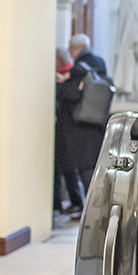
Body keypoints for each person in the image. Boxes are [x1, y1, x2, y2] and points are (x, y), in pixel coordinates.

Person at [57, 34, 110, 206]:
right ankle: (95, 205)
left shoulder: (79, 68)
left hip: (78, 127)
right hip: (96, 124)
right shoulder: (99, 63)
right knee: (91, 169)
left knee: (83, 169)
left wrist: (61, 85)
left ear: (73, 49)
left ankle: (91, 207)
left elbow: (72, 94)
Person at [53, 47, 82, 214]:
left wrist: (61, 83)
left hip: (68, 130)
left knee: (68, 168)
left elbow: (71, 95)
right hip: (65, 130)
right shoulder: (73, 74)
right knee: (63, 168)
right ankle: (59, 204)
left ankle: (75, 202)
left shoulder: (75, 73)